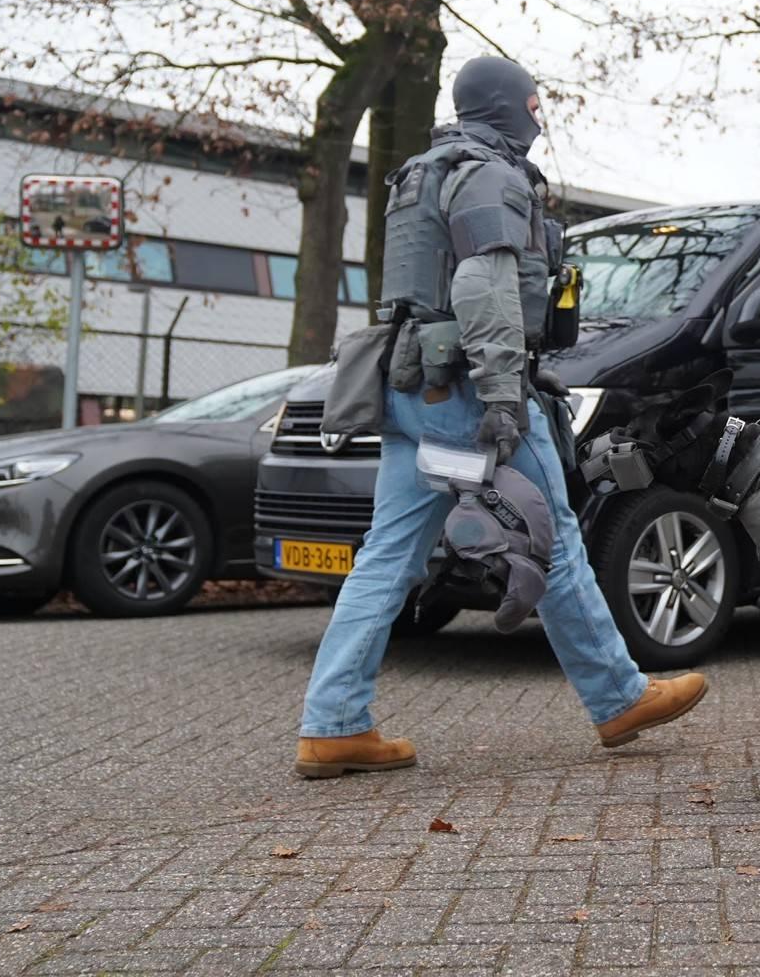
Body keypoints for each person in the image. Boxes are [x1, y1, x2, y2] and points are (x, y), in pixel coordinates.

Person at [294, 56, 707, 777]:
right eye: (535, 102)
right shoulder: (490, 173)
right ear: (510, 107)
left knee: (387, 558)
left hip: (414, 383)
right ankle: (618, 698)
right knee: (553, 537)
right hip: (466, 390)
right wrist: (501, 398)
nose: (539, 117)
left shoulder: (423, 172)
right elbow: (483, 285)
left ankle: (333, 725)